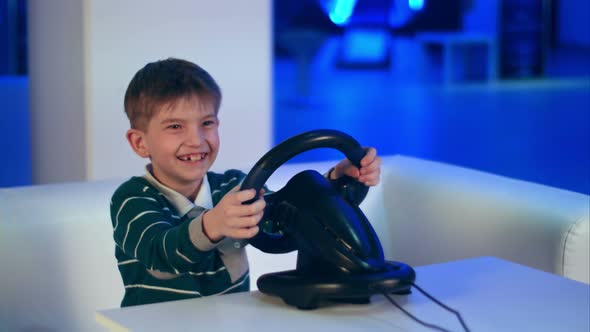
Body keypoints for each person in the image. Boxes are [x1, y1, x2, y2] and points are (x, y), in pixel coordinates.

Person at [110, 57, 382, 307]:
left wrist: (337, 183)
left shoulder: (234, 186)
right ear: (140, 142)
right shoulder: (132, 199)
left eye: (206, 123)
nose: (196, 140)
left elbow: (286, 217)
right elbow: (162, 254)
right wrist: (214, 223)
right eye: (174, 126)